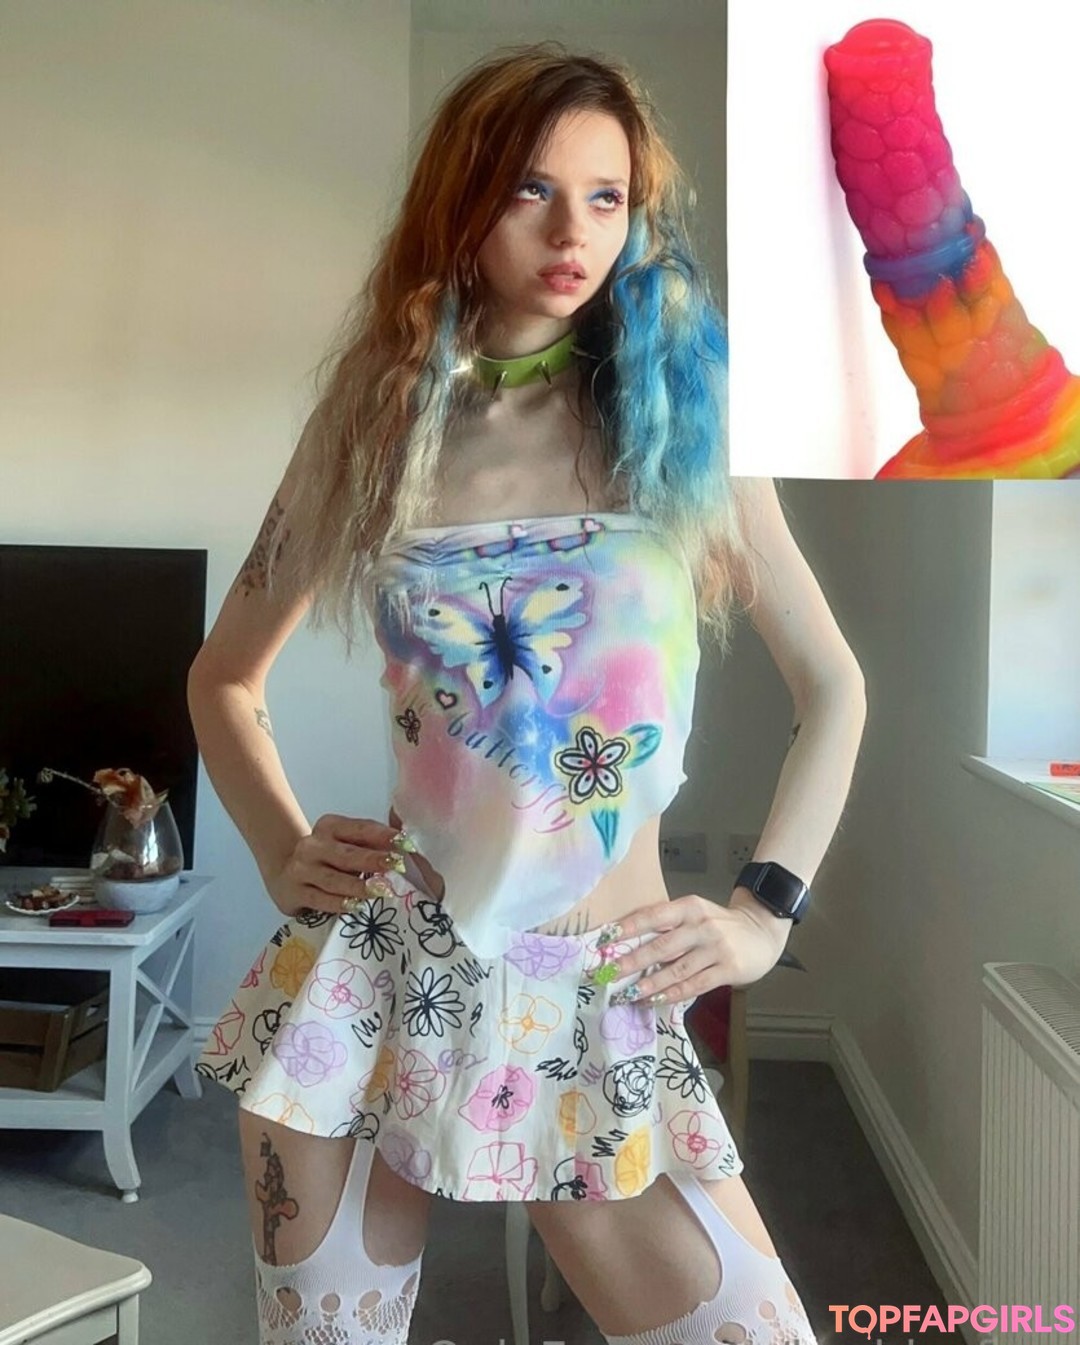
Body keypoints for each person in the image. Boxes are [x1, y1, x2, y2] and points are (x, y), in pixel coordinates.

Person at [189, 43, 866, 1345]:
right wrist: (280, 848)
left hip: (600, 991)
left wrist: (763, 913)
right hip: (381, 973)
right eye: (531, 191)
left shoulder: (685, 424)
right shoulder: (374, 427)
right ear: (463, 200)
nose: (573, 234)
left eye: (607, 198)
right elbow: (223, 677)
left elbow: (833, 686)